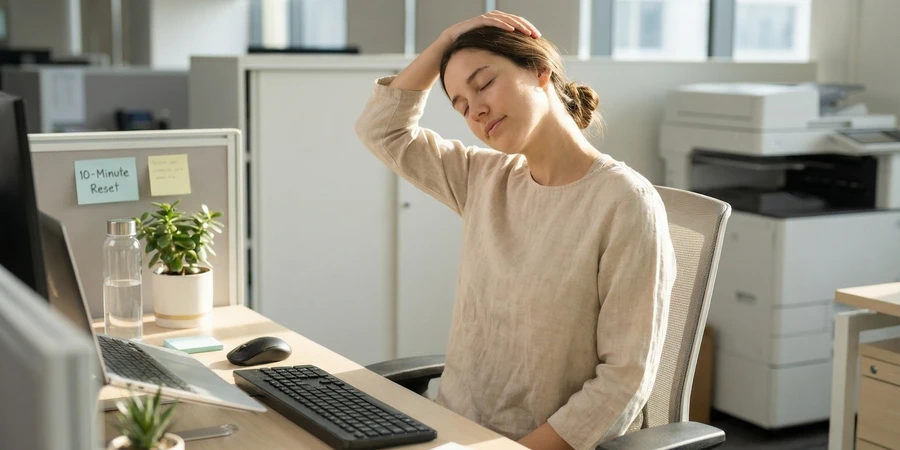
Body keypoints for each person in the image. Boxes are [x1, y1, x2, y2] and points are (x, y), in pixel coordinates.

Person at [355, 11, 676, 450]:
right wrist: (447, 39)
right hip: (448, 431)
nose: (477, 110)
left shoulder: (624, 202)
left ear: (540, 70)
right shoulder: (482, 178)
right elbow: (382, 131)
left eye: (484, 84)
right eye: (462, 106)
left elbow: (625, 379)